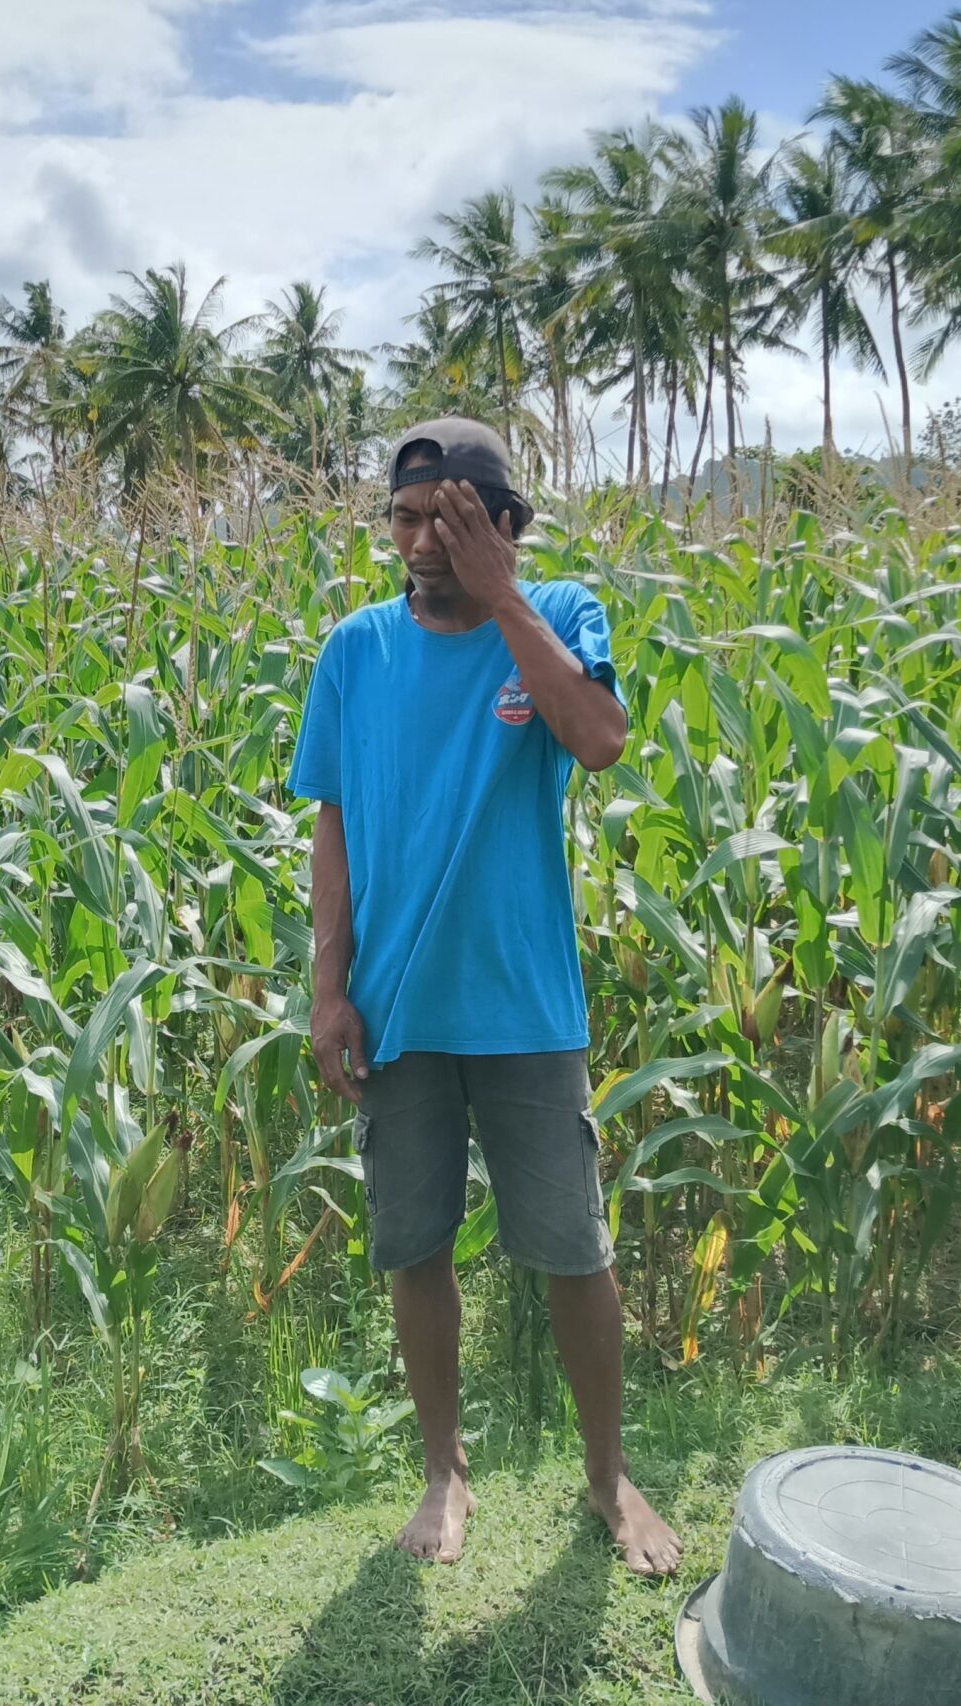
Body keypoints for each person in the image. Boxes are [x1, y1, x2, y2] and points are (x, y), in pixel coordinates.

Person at [289, 416, 682, 1577]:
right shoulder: (354, 652)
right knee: (416, 1245)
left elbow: (600, 739)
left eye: (453, 519)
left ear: (507, 526)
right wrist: (327, 989)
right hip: (396, 1009)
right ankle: (443, 1471)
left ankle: (606, 1475)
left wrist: (503, 596)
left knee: (572, 1248)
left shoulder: (555, 616)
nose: (423, 541)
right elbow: (333, 826)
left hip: (522, 1006)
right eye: (407, 518)